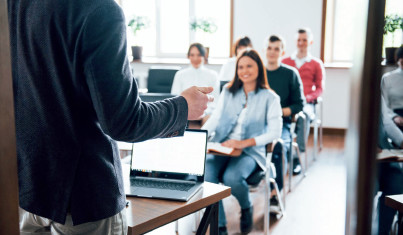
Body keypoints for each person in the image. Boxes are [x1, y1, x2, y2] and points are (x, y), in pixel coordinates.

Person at [8, 0, 213, 234]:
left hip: (26, 187)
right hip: (84, 198)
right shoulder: (99, 9)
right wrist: (183, 107)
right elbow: (125, 122)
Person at [203, 49, 282, 235]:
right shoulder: (228, 91)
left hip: (250, 151)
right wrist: (200, 137)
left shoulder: (270, 98)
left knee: (232, 177)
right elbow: (215, 118)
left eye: (249, 66)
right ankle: (219, 226)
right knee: (207, 175)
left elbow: (275, 132)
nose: (244, 70)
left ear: (259, 69)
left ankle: (246, 207)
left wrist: (244, 143)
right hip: (222, 146)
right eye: (240, 67)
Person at [265, 35, 305, 200]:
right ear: (264, 50)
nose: (272, 52)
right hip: (257, 124)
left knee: (278, 147)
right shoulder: (257, 73)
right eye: (269, 48)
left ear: (283, 52)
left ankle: (275, 192)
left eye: (276, 49)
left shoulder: (290, 74)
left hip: (282, 124)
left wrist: (279, 112)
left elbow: (299, 105)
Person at [282, 28, 325, 173]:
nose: (301, 43)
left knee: (303, 116)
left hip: (306, 103)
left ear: (310, 42)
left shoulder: (316, 63)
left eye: (304, 40)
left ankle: (296, 156)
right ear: (295, 42)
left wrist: (309, 97)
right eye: (299, 40)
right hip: (288, 102)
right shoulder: (285, 61)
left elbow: (320, 88)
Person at [171, 43, 220, 123]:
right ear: (188, 56)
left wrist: (204, 112)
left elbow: (216, 101)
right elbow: (175, 96)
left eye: (199, 55)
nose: (195, 58)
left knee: (210, 120)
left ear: (204, 56)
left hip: (205, 113)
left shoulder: (213, 75)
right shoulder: (180, 74)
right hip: (185, 113)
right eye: (192, 55)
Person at [376, 97, 403, 235]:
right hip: (368, 156)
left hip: (384, 152)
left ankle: (382, 231)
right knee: (371, 186)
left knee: (397, 183)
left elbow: (386, 121)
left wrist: (402, 140)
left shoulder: (379, 96)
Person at [381, 46, 403, 131]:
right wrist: (394, 117)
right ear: (398, 60)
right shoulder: (387, 78)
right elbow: (384, 104)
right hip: (395, 114)